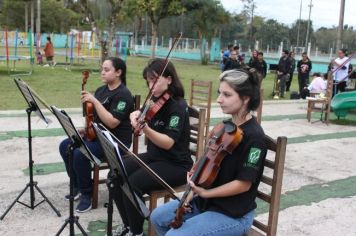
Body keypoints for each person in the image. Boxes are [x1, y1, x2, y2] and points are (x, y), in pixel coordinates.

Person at [151, 68, 267, 236]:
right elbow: (210, 159)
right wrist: (195, 174)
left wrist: (206, 193)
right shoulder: (225, 126)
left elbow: (244, 184)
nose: (219, 100)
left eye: (227, 95)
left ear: (246, 98)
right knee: (157, 217)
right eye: (220, 93)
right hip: (207, 202)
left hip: (232, 214)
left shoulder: (254, 137)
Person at [112, 58, 193, 236]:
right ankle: (129, 225)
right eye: (148, 81)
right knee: (115, 173)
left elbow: (168, 142)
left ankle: (137, 231)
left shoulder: (177, 106)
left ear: (169, 79)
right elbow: (138, 112)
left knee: (133, 184)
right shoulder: (154, 100)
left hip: (176, 164)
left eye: (155, 80)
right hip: (155, 157)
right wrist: (135, 116)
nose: (151, 85)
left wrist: (146, 129)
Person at [59, 57, 133, 213]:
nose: (102, 72)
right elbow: (95, 118)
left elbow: (112, 122)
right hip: (97, 136)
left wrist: (94, 100)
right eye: (102, 69)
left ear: (118, 72)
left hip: (115, 142)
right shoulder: (101, 90)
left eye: (107, 70)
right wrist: (85, 129)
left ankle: (88, 194)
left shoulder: (124, 95)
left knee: (80, 153)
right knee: (65, 145)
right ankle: (77, 185)